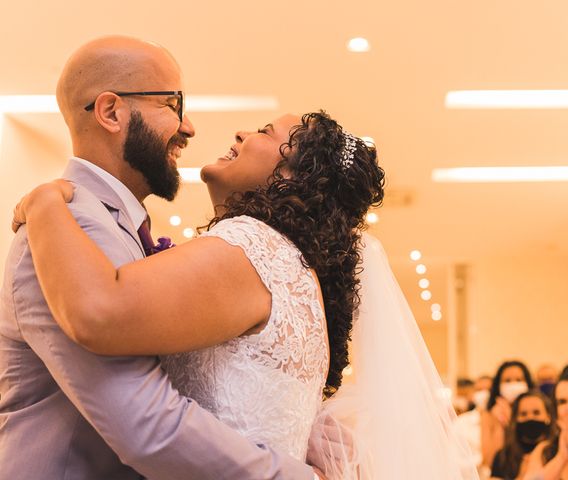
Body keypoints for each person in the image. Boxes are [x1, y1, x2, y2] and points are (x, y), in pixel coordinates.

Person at [13, 110, 478, 479]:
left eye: (263, 131)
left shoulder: (253, 247)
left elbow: (103, 310)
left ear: (293, 176)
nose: (239, 132)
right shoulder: (294, 269)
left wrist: (44, 202)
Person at [0, 35, 323, 480]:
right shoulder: (72, 224)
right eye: (173, 104)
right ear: (112, 112)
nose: (188, 127)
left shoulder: (101, 223)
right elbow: (145, 424)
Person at [482, 361, 535, 471]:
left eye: (519, 380)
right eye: (507, 381)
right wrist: (499, 424)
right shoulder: (489, 415)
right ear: (498, 386)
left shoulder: (536, 411)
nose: (513, 384)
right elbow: (490, 461)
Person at [490, 390, 555, 480]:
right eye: (523, 414)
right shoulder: (503, 456)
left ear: (548, 416)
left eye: (536, 413)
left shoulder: (558, 452)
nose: (530, 418)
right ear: (516, 419)